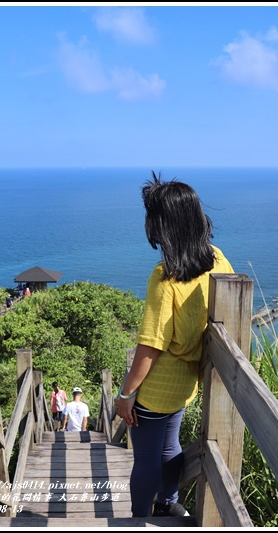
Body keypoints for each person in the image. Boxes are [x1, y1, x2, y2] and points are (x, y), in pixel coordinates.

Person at [114, 171, 234, 518]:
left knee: (147, 457)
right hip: (186, 384)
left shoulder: (165, 276)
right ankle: (167, 503)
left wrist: (125, 396)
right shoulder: (216, 259)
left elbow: (150, 345)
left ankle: (139, 517)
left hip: (156, 388)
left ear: (163, 226)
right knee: (170, 445)